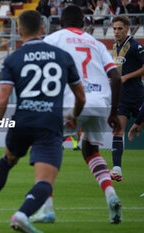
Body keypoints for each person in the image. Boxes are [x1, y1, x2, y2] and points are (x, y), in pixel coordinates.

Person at [0, 10, 86, 233]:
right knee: (45, 180)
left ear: (19, 31)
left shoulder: (13, 59)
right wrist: (74, 116)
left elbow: (2, 99)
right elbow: (80, 97)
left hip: (22, 121)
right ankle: (22, 214)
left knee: (8, 159)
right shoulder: (62, 56)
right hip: (49, 124)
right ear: (43, 29)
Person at [30, 5, 123, 224]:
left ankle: (46, 208)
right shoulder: (97, 43)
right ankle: (111, 195)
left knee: (45, 146)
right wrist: (113, 112)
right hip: (100, 102)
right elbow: (117, 78)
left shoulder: (53, 39)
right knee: (91, 150)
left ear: (61, 23)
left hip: (70, 101)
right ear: (84, 23)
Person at [110, 15, 144, 181]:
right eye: (114, 29)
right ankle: (116, 169)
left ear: (127, 29)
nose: (116, 32)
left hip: (137, 96)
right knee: (117, 130)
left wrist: (127, 77)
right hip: (122, 97)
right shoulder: (114, 46)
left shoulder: (135, 46)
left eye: (120, 29)